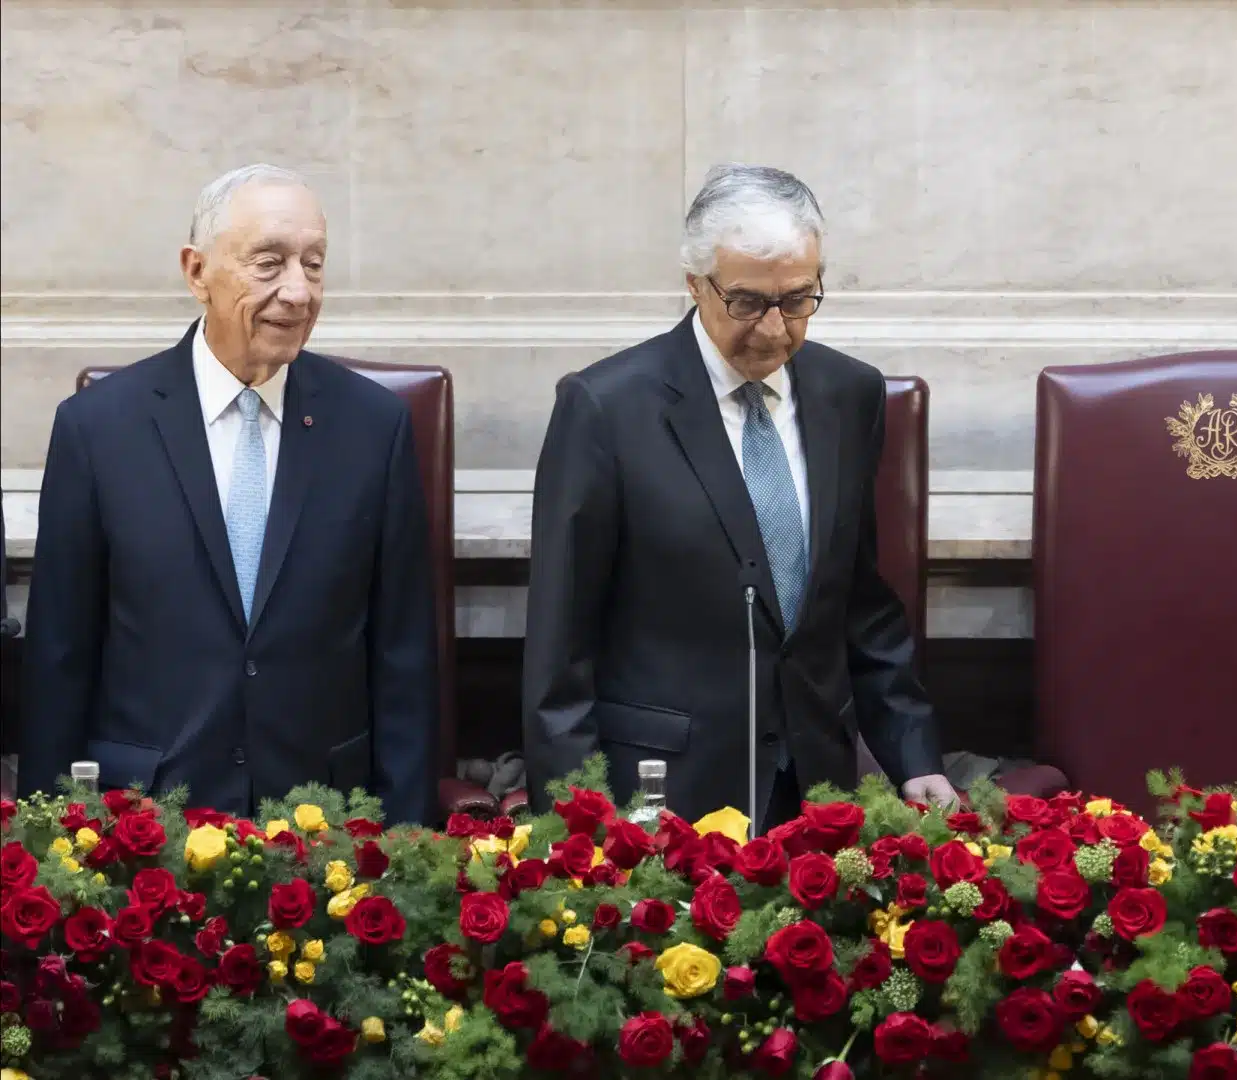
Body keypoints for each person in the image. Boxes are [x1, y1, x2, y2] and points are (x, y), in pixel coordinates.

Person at [522, 164, 957, 825]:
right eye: (748, 302)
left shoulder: (850, 395)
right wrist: (580, 828)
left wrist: (914, 753)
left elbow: (859, 603)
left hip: (814, 790)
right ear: (695, 284)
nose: (776, 329)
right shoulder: (605, 409)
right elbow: (561, 651)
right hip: (664, 799)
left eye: (798, 300)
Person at [20, 164, 438, 822]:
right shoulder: (99, 429)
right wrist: (47, 845)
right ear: (196, 272)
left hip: (323, 828)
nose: (297, 292)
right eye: (269, 263)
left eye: (314, 263)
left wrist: (407, 840)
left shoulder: (372, 428)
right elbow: (58, 659)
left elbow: (403, 656)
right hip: (145, 828)